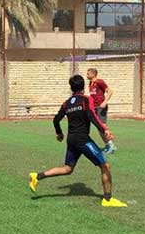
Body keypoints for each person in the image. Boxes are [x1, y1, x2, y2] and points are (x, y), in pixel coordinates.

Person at [28, 75, 127, 208]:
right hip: (83, 140)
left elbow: (56, 119)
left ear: (71, 88)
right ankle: (108, 199)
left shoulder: (67, 103)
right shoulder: (86, 100)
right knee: (105, 166)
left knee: (68, 168)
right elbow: (92, 116)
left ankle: (37, 176)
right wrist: (105, 130)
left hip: (71, 140)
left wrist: (59, 133)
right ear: (83, 87)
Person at [87, 68, 117, 155]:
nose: (87, 75)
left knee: (103, 127)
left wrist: (105, 102)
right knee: (99, 127)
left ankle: (111, 146)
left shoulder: (99, 82)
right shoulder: (90, 83)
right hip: (94, 108)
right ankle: (108, 145)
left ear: (94, 74)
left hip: (101, 107)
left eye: (88, 73)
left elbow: (110, 91)